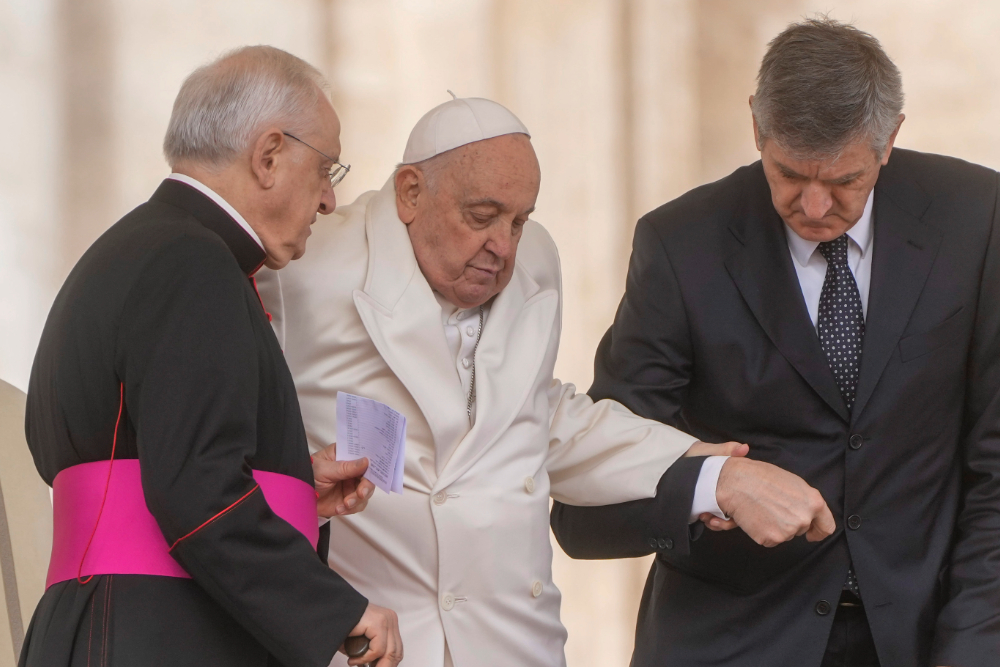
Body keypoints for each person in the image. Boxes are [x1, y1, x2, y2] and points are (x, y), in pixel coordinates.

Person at [551, 17, 1000, 667]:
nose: (814, 206)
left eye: (843, 180)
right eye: (789, 173)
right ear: (757, 128)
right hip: (729, 645)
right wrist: (713, 483)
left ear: (889, 140)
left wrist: (975, 650)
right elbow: (586, 504)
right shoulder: (680, 247)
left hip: (929, 638)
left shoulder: (977, 218)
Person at [253, 96, 753, 666]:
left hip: (513, 639)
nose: (504, 247)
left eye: (519, 220)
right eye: (482, 216)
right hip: (376, 643)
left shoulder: (536, 261)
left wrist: (696, 463)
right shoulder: (309, 266)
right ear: (411, 192)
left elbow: (537, 416)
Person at [20, 46, 401, 667]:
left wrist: (291, 491)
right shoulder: (193, 264)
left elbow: (141, 465)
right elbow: (196, 487)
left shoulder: (132, 249)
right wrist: (336, 608)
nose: (330, 201)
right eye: (327, 169)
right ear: (269, 155)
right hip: (162, 631)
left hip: (103, 622)